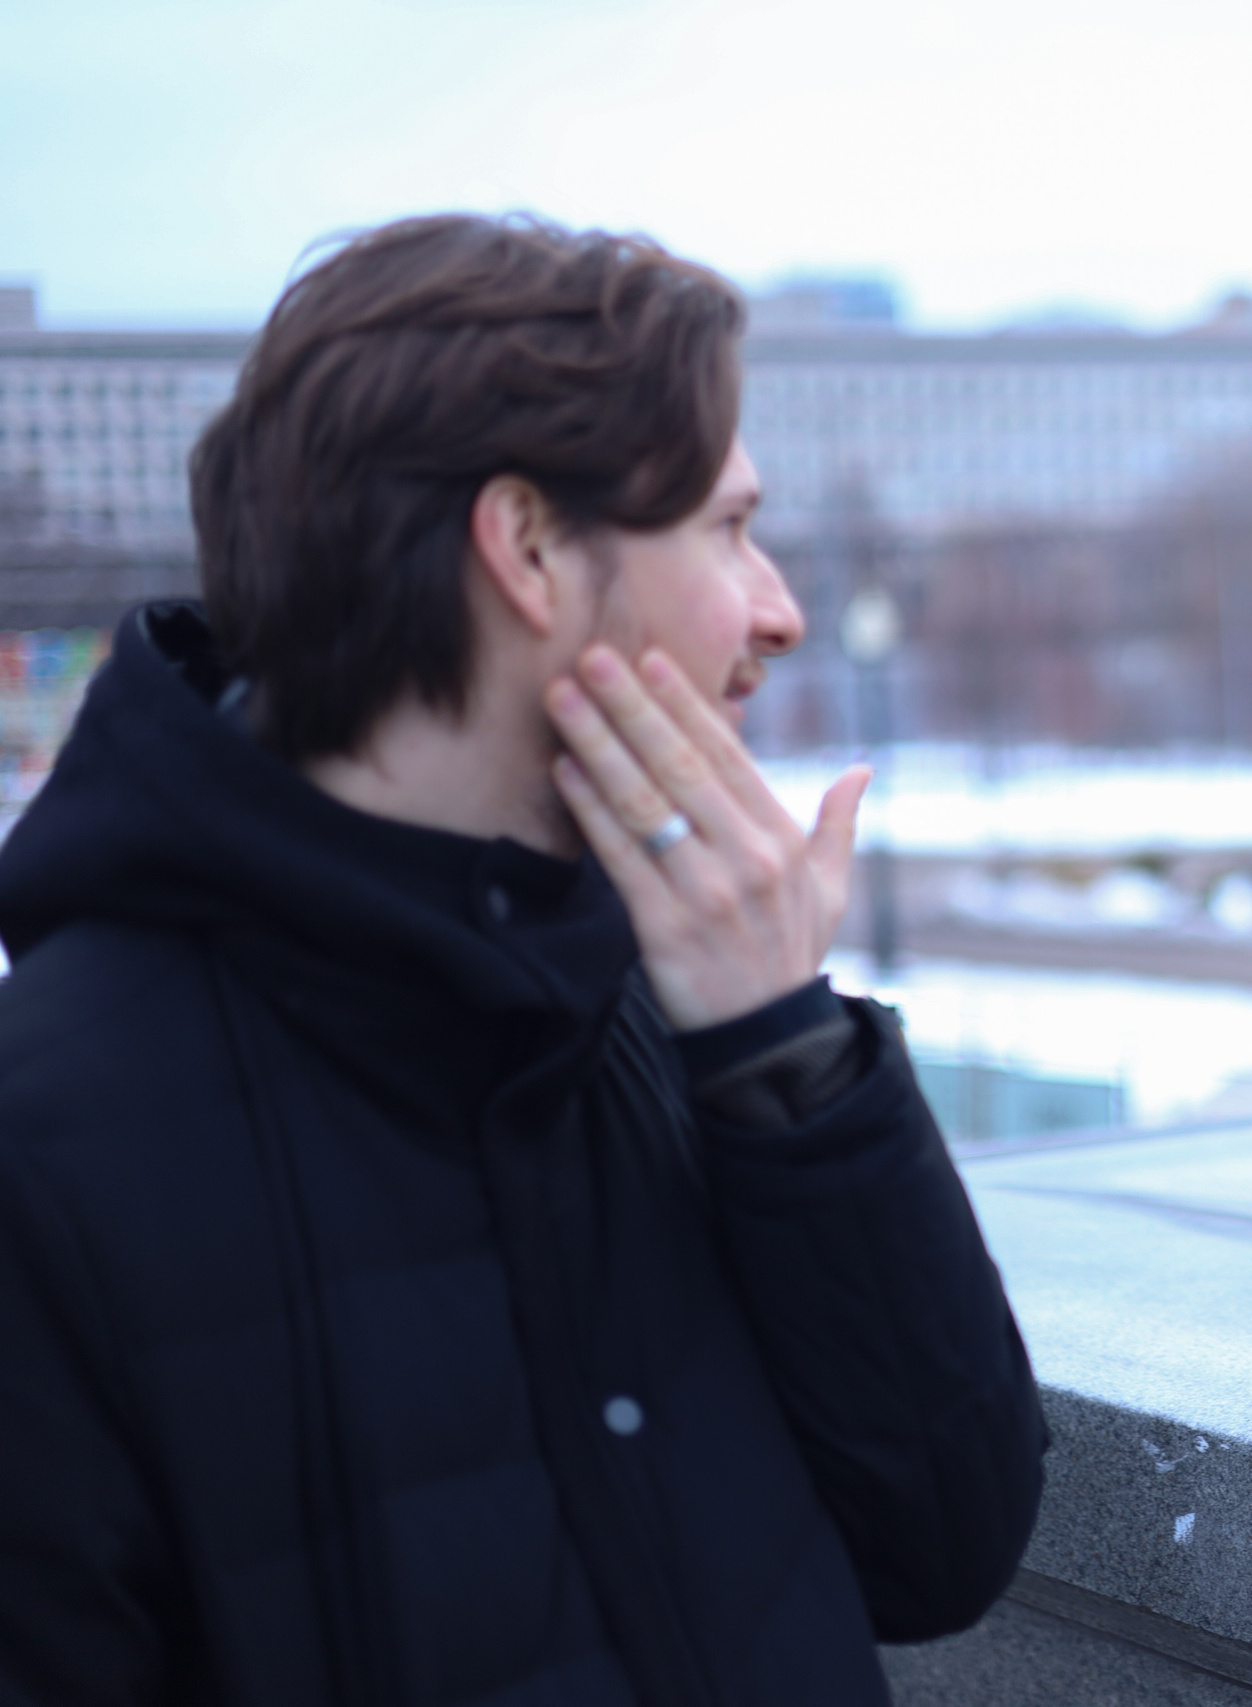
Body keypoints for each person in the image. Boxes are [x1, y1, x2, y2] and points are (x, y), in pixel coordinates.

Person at [0, 215, 1047, 1706]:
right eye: (727, 529)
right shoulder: (43, 1153)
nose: (781, 614)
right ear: (531, 548)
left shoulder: (667, 1008)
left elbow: (945, 1547)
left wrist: (787, 1065)